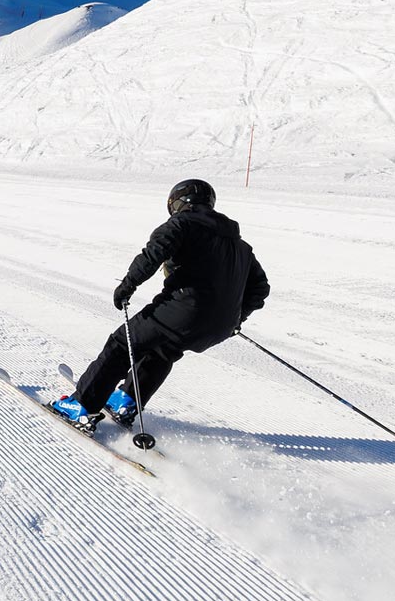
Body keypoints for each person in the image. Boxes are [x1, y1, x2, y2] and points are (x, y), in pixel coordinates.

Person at [49, 179, 269, 430]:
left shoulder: (182, 224)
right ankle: (126, 401)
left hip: (183, 309)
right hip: (220, 326)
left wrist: (128, 285)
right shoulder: (240, 246)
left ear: (176, 203)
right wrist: (237, 320)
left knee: (122, 343)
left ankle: (82, 406)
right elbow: (260, 288)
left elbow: (154, 253)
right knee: (164, 349)